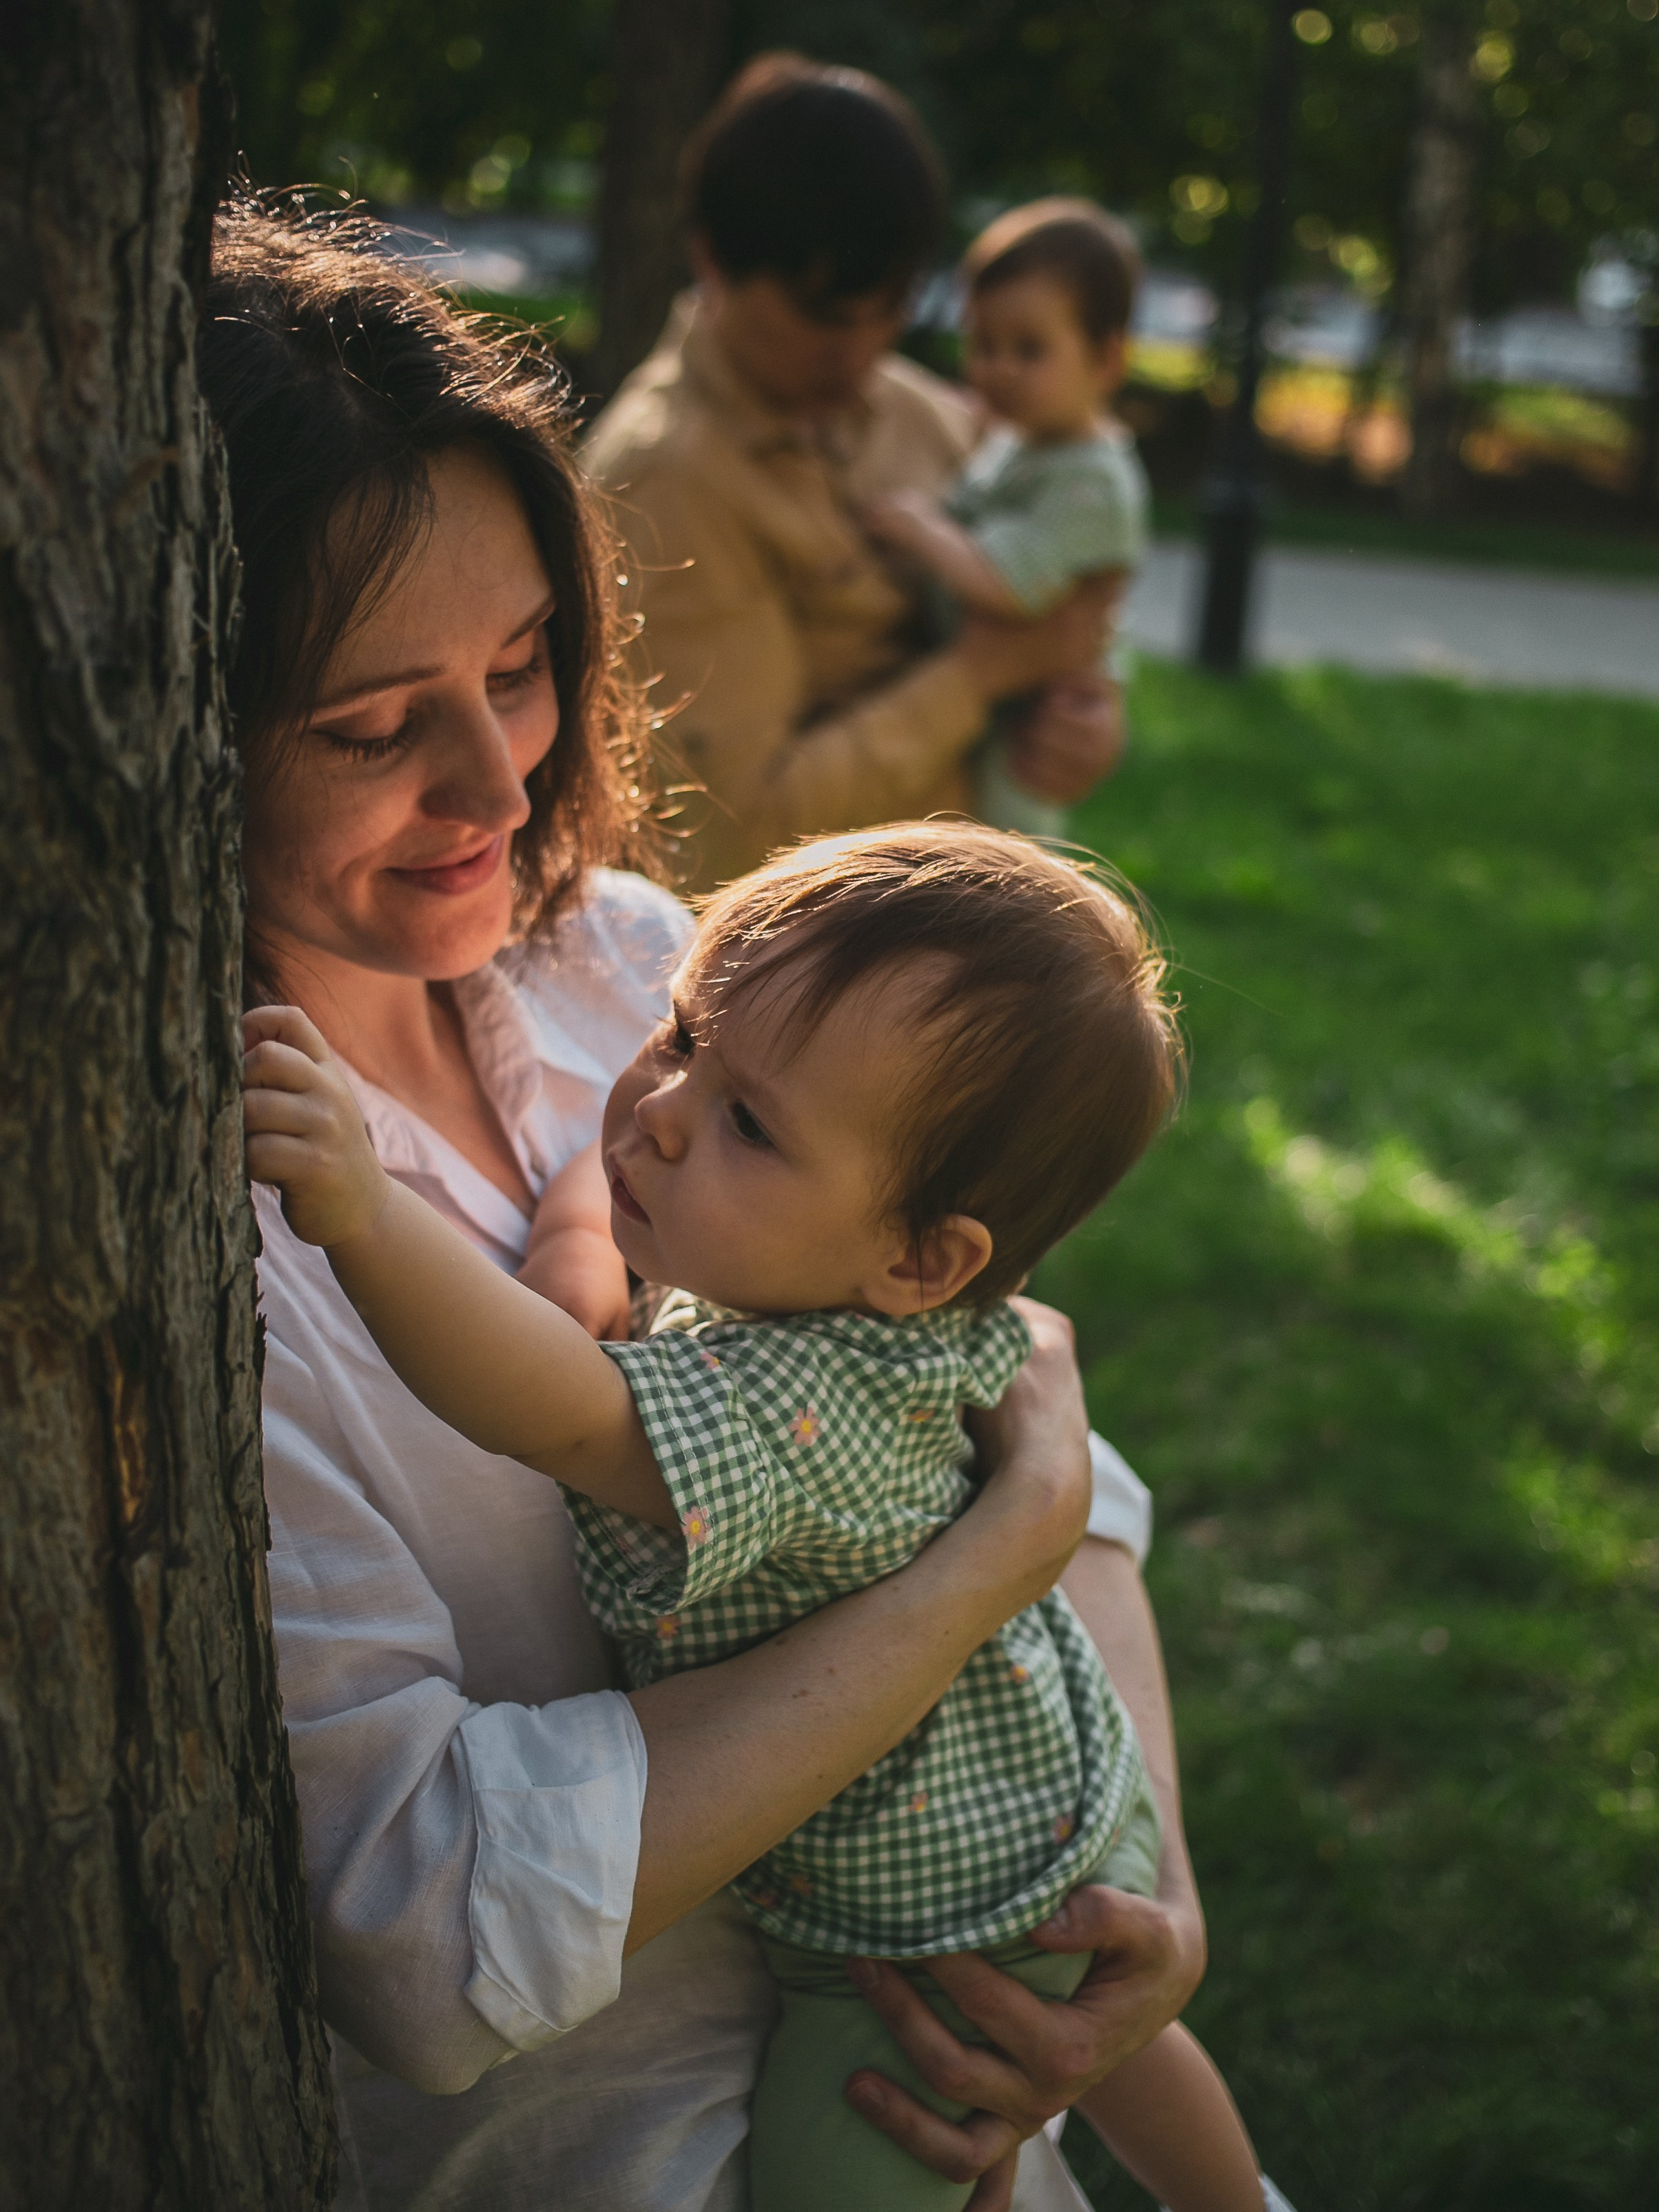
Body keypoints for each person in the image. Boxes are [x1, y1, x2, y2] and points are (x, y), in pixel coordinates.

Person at [204, 195, 1206, 2212]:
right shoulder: (204, 1213)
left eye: (519, 665)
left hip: (964, 2062)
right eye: (369, 723)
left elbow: (1027, 1419)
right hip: (611, 2149)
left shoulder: (641, 965)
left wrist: (1127, 1897)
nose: (494, 784)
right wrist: (970, 1568)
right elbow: (417, 1922)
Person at [243, 824, 1268, 2212]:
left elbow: (555, 1402)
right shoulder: (870, 1310)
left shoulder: (793, 1404)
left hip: (921, 1925)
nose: (657, 1108)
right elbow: (582, 1272)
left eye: (747, 1123)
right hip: (1042, 1806)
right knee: (1135, 2059)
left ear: (918, 1257)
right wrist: (585, 1218)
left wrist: (364, 1208)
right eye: (677, 1034)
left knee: (836, 2171)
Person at [583, 54, 1126, 893]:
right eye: (825, 317)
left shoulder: (911, 409)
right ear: (712, 261)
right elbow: (732, 840)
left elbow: (1057, 618)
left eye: (891, 311)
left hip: (973, 920)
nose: (862, 352)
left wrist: (1074, 728)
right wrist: (980, 676)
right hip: (817, 971)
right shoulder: (665, 480)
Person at [864, 201, 1151, 845]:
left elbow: (1012, 584)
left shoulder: (1092, 483)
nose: (999, 369)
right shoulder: (1031, 441)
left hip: (1031, 727)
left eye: (1029, 349)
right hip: (993, 699)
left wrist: (921, 531)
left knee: (1001, 853)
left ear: (1106, 361)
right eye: (984, 344)